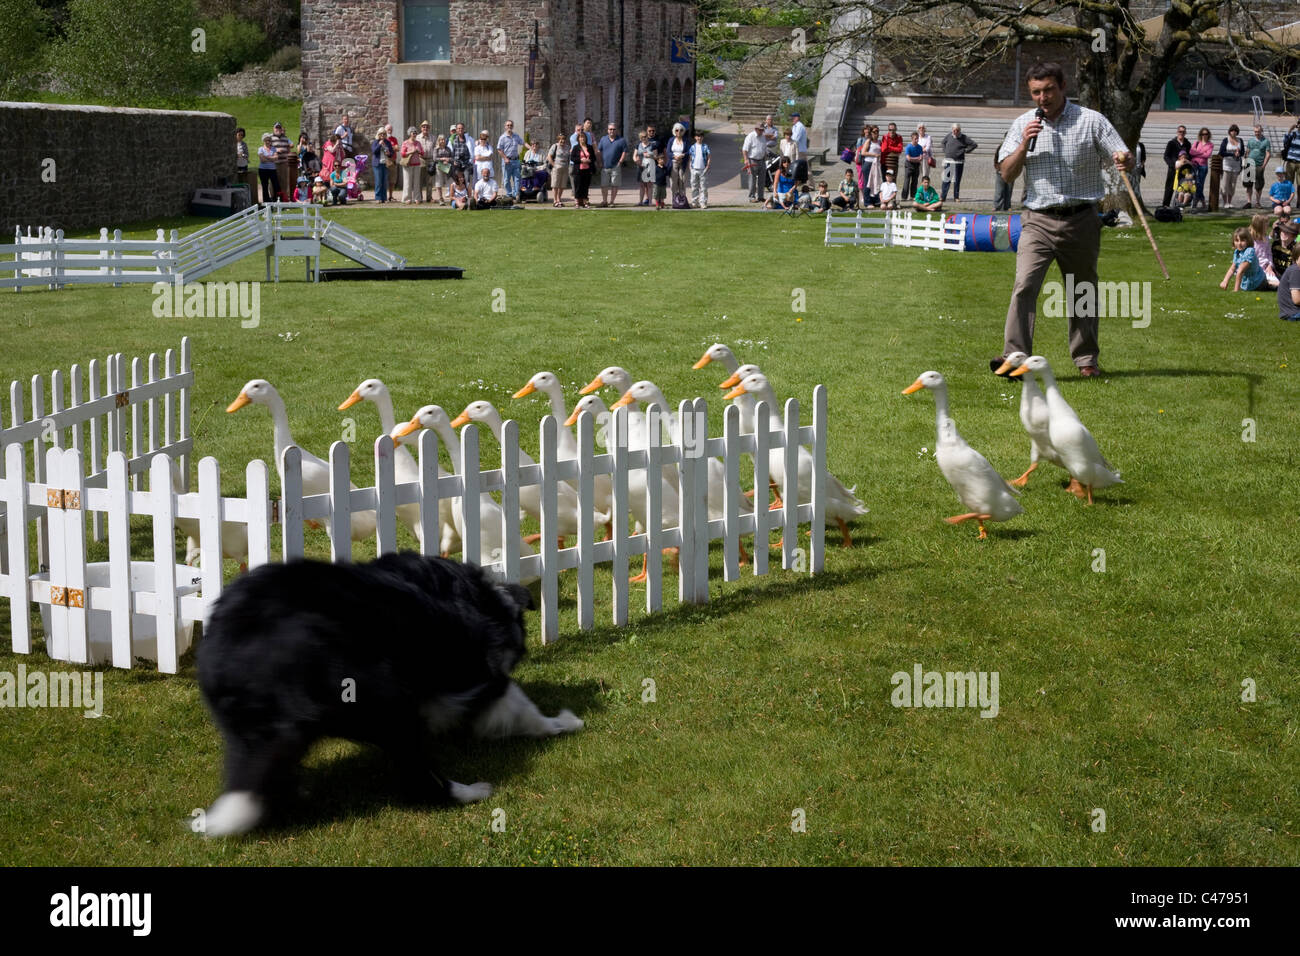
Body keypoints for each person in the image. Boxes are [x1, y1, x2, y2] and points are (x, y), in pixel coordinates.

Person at [993, 61, 1131, 379]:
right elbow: (1007, 173)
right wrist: (1025, 144)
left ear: (1062, 86)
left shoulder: (1091, 121)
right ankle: (1014, 359)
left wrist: (1124, 159)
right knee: (1024, 285)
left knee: (1081, 289)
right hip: (1037, 219)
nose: (1043, 98)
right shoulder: (1022, 124)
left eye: (1049, 90)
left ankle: (1086, 360)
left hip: (1081, 218)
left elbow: (1122, 154)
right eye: (1036, 92)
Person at [1220, 227, 1267, 291]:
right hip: (1247, 283)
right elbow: (1232, 268)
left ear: (1248, 241)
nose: (1239, 243)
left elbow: (1240, 271)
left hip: (1258, 282)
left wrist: (1236, 290)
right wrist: (1225, 281)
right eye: (1237, 240)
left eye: (1242, 240)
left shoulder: (1249, 251)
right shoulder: (1237, 252)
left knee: (1268, 287)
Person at [940, 124, 978, 202]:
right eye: (954, 130)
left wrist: (966, 150)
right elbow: (943, 143)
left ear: (959, 130)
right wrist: (945, 150)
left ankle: (956, 197)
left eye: (957, 130)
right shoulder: (949, 136)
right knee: (946, 179)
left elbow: (974, 144)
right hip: (948, 161)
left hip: (959, 162)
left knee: (957, 180)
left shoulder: (964, 137)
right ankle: (943, 197)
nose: (955, 132)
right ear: (952, 130)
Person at [597, 123, 627, 206]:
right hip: (605, 166)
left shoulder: (621, 140)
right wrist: (599, 162)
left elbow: (624, 152)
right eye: (610, 129)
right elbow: (599, 151)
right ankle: (604, 201)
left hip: (615, 166)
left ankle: (612, 202)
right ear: (607, 130)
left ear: (616, 130)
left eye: (614, 129)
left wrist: (620, 162)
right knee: (604, 185)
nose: (612, 131)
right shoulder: (603, 139)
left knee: (615, 185)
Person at [1243, 125, 1272, 209]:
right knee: (1248, 185)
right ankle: (1248, 202)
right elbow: (1247, 151)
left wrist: (1264, 165)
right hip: (1249, 164)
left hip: (1259, 165)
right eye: (1255, 131)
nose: (1257, 133)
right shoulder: (1250, 140)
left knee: (1259, 185)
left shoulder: (1266, 141)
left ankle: (1257, 202)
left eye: (1258, 131)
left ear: (1261, 131)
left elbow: (1268, 154)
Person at [1161, 124, 1189, 207]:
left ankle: (1178, 206)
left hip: (1183, 171)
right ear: (1177, 132)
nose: (1181, 133)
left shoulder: (1188, 144)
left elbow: (1190, 156)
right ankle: (1165, 205)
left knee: (1182, 189)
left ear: (1185, 133)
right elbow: (1166, 156)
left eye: (1183, 132)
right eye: (1180, 131)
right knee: (1169, 189)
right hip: (1173, 170)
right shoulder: (1171, 143)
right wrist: (1173, 165)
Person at [1249, 215, 1280, 288]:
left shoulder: (1266, 239)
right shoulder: (1250, 240)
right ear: (1259, 226)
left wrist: (1270, 266)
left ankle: (1266, 282)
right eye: (1266, 225)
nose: (1267, 227)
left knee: (1278, 284)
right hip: (1254, 268)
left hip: (1265, 267)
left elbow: (1269, 254)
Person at [497, 120, 525, 201]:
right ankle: (509, 195)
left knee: (517, 179)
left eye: (511, 125)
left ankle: (516, 195)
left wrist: (531, 148)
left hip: (516, 161)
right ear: (505, 126)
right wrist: (505, 158)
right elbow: (499, 149)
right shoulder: (502, 137)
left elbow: (523, 143)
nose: (509, 126)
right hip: (507, 161)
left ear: (512, 126)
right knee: (506, 180)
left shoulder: (516, 136)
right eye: (508, 125)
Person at [742, 121, 769, 203]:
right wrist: (746, 160)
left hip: (762, 160)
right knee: (752, 180)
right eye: (760, 130)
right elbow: (744, 149)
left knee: (762, 180)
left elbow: (764, 148)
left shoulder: (763, 137)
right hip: (752, 160)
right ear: (756, 129)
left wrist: (765, 158)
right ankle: (751, 197)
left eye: (762, 130)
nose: (762, 131)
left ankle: (761, 196)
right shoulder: (750, 136)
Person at [1219, 125, 1244, 209]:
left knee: (1233, 185)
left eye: (1235, 131)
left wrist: (1238, 153)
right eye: (1232, 130)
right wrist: (1232, 154)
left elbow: (1242, 152)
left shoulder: (1240, 140)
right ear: (1229, 131)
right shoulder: (1226, 140)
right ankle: (1225, 202)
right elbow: (1221, 152)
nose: (1234, 132)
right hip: (1226, 165)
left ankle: (1229, 202)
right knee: (1225, 184)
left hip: (1236, 166)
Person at [270, 121, 295, 201]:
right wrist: (276, 150)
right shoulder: (270, 138)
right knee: (273, 182)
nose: (278, 129)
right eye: (276, 128)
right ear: (273, 129)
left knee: (284, 182)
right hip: (274, 163)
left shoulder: (285, 138)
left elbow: (289, 147)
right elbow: (267, 149)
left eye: (279, 128)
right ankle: (273, 198)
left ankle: (284, 199)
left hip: (284, 163)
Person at [1189, 127, 1213, 210]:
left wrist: (1197, 153)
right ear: (1200, 135)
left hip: (1203, 166)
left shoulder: (1210, 144)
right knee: (1194, 183)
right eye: (1203, 134)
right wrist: (1202, 153)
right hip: (1194, 165)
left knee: (1200, 184)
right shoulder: (1196, 143)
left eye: (1206, 134)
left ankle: (1196, 201)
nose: (1204, 135)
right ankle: (1202, 202)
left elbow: (1208, 155)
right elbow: (1191, 152)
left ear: (1208, 135)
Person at [571, 130, 596, 208]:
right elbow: (572, 158)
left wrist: (589, 160)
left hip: (587, 170)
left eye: (583, 137)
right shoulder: (576, 147)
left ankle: (585, 202)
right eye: (581, 137)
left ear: (586, 138)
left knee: (585, 186)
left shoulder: (590, 147)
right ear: (578, 139)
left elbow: (594, 158)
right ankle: (577, 203)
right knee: (578, 186)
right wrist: (581, 160)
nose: (582, 139)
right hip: (578, 170)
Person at [400, 127, 424, 204]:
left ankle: (417, 198)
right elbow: (402, 154)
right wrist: (411, 151)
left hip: (417, 164)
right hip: (408, 165)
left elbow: (422, 153)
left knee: (417, 183)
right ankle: (407, 198)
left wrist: (419, 151)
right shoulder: (405, 143)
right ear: (409, 134)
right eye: (413, 132)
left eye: (415, 133)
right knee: (407, 182)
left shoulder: (418, 143)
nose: (414, 134)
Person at [667, 123, 689, 204]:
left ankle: (682, 200)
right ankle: (674, 200)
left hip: (682, 163)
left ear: (683, 131)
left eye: (681, 130)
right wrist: (674, 156)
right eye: (677, 130)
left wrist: (683, 155)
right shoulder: (671, 140)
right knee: (673, 182)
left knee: (682, 181)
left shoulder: (686, 140)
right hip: (673, 163)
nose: (679, 132)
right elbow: (668, 152)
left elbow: (689, 151)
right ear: (674, 131)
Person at [688, 130, 710, 209]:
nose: (699, 138)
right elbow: (690, 158)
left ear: (702, 137)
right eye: (697, 136)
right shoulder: (692, 147)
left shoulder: (705, 146)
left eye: (700, 136)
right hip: (694, 169)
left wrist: (707, 166)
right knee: (694, 187)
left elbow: (708, 157)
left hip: (703, 169)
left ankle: (703, 202)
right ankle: (694, 202)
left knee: (703, 187)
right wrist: (690, 168)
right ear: (695, 137)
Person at [547, 131, 570, 207]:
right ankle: (555, 200)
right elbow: (549, 156)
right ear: (558, 139)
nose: (561, 140)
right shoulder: (555, 146)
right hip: (557, 167)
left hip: (565, 167)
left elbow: (569, 158)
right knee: (555, 185)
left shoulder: (567, 147)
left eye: (563, 139)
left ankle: (559, 199)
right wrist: (554, 165)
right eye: (560, 139)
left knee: (562, 185)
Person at [257, 133, 281, 203]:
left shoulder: (274, 149)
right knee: (265, 186)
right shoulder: (260, 149)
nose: (268, 142)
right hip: (263, 170)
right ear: (264, 140)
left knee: (276, 185)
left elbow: (276, 158)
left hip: (272, 170)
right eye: (266, 140)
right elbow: (262, 160)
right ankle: (266, 201)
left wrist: (266, 157)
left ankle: (277, 200)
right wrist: (271, 158)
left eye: (269, 140)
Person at [371, 126, 393, 203]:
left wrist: (389, 153)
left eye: (384, 134)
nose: (382, 136)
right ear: (378, 135)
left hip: (385, 164)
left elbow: (391, 153)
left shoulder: (388, 142)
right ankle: (378, 198)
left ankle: (384, 198)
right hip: (377, 164)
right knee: (378, 181)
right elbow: (374, 151)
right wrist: (379, 144)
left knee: (384, 182)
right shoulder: (375, 142)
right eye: (381, 134)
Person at [903, 131, 924, 204]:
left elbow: (921, 158)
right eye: (915, 139)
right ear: (912, 139)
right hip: (909, 165)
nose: (917, 140)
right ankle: (904, 197)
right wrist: (916, 158)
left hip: (916, 165)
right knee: (907, 181)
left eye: (917, 138)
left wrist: (914, 158)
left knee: (915, 181)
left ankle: (912, 196)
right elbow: (908, 158)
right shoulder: (908, 147)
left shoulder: (920, 147)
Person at [635, 131, 655, 205]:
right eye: (642, 137)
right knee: (642, 185)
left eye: (645, 136)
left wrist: (649, 155)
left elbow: (656, 156)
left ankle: (650, 202)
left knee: (649, 185)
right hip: (640, 167)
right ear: (640, 138)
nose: (644, 138)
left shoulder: (652, 145)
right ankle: (640, 201)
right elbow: (634, 155)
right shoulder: (638, 145)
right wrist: (636, 160)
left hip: (650, 166)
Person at [992, 139, 1013, 211]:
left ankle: (1007, 206)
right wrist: (997, 167)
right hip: (1000, 170)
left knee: (1009, 189)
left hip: (1011, 171)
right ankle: (997, 206)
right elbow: (996, 157)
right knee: (999, 189)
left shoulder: (1014, 148)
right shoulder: (1001, 147)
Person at [432, 135, 452, 205]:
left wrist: (448, 160)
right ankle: (441, 199)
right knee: (439, 183)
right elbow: (434, 159)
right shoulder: (436, 149)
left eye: (444, 139)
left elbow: (451, 157)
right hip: (439, 167)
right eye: (441, 140)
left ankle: (451, 198)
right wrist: (442, 159)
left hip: (447, 167)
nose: (443, 141)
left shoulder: (448, 149)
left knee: (450, 183)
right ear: (439, 140)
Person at [1283, 120, 1300, 192]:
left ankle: (1299, 202)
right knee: (1288, 183)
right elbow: (1285, 141)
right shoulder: (1293, 134)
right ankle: (1288, 202)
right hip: (1291, 162)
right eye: (1299, 123)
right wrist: (1290, 129)